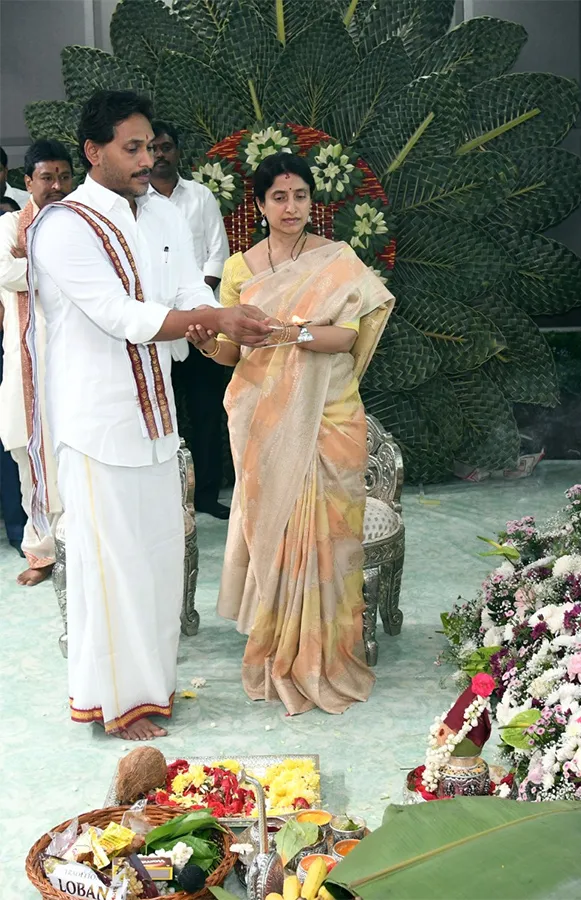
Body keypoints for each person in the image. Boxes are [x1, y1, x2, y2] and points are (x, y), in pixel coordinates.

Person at [26, 90, 273, 741]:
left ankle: (150, 690)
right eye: (131, 148)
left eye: (149, 146)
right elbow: (121, 316)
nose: (146, 159)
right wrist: (213, 318)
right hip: (97, 423)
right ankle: (115, 705)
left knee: (159, 563)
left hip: (157, 417)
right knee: (112, 569)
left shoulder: (162, 212)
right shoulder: (65, 225)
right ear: (93, 151)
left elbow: (188, 288)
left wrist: (216, 324)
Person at [188, 152, 393, 715]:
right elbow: (233, 353)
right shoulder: (240, 269)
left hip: (330, 414)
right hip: (265, 420)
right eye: (278, 197)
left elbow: (345, 338)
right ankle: (278, 647)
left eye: (300, 195)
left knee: (328, 535)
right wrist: (206, 342)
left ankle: (329, 653)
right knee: (276, 534)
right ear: (259, 205)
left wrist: (286, 332)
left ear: (311, 202)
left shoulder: (337, 260)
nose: (291, 206)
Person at [149, 121, 233, 518]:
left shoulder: (200, 196)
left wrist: (195, 305)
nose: (159, 155)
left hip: (203, 326)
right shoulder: (136, 202)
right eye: (152, 148)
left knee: (206, 412)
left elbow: (218, 254)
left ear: (178, 152)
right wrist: (172, 313)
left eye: (166, 147)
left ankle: (207, 496)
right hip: (157, 326)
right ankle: (166, 499)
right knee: (161, 415)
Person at [0, 139, 74, 585]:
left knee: (75, 453)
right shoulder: (9, 224)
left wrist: (33, 262)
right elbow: (7, 273)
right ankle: (42, 550)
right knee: (29, 453)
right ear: (28, 181)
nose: (57, 185)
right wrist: (57, 268)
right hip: (26, 363)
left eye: (64, 176)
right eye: (47, 177)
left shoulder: (81, 222)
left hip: (75, 363)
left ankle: (77, 546)